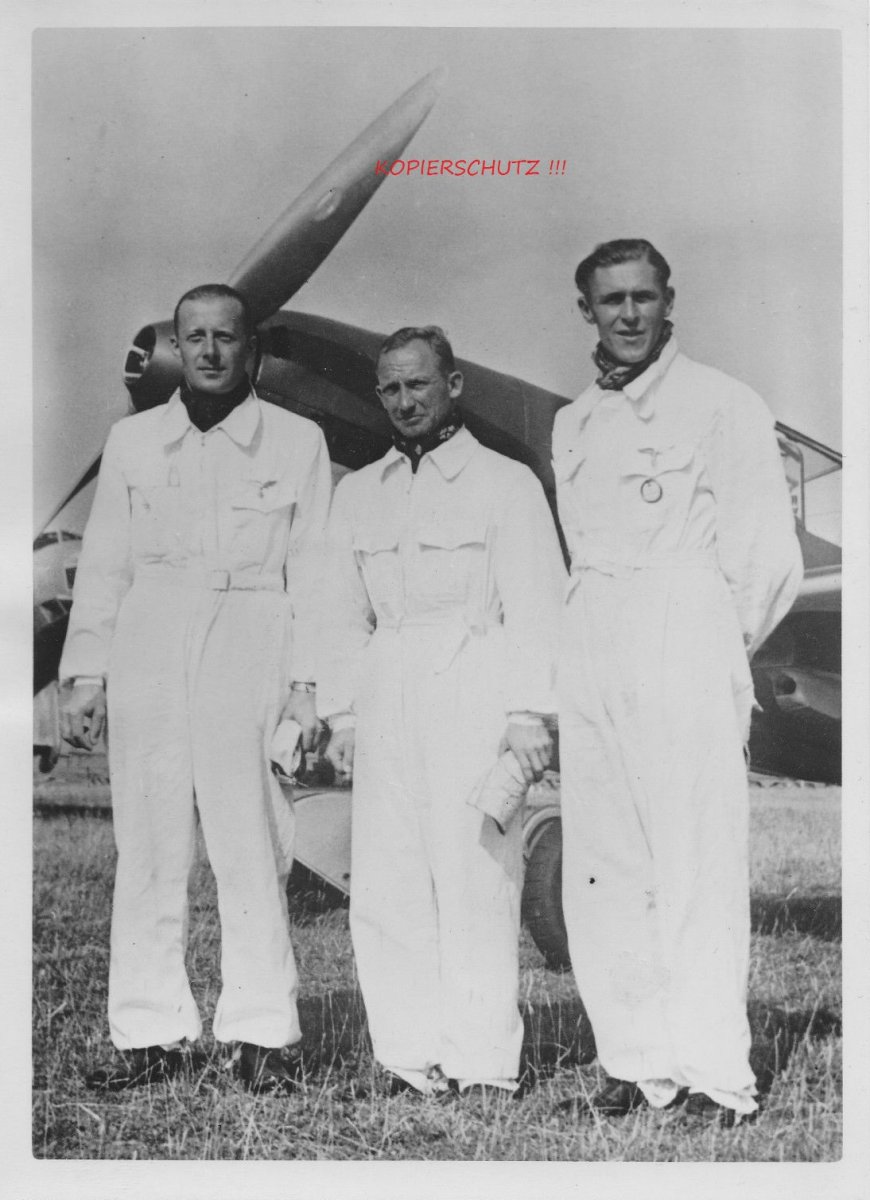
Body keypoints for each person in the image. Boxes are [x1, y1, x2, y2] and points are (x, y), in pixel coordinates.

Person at [553, 239, 803, 1124]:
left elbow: (768, 558)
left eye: (643, 297)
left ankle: (712, 1072)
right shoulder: (575, 422)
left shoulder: (723, 403)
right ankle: (635, 1061)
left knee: (696, 861)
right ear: (586, 311)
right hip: (594, 636)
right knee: (607, 864)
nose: (628, 314)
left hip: (684, 632)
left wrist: (707, 644)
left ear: (669, 301)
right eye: (610, 299)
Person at [59, 283, 332, 1094]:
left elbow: (316, 572)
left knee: (252, 842)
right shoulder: (134, 441)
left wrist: (309, 685)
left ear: (253, 348)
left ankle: (262, 1035)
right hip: (151, 637)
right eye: (195, 337)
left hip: (252, 634)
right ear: (177, 347)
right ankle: (150, 1034)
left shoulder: (297, 441)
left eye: (226, 336)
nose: (210, 351)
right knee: (148, 844)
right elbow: (105, 565)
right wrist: (86, 673)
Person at [317, 326, 565, 1098]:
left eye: (418, 384)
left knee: (475, 877)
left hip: (474, 686)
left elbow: (538, 606)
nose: (404, 401)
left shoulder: (506, 485)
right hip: (387, 690)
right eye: (390, 388)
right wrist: (343, 716)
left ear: (453, 385)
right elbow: (338, 613)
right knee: (387, 881)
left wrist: (529, 712)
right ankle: (407, 1055)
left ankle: (483, 1060)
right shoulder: (359, 494)